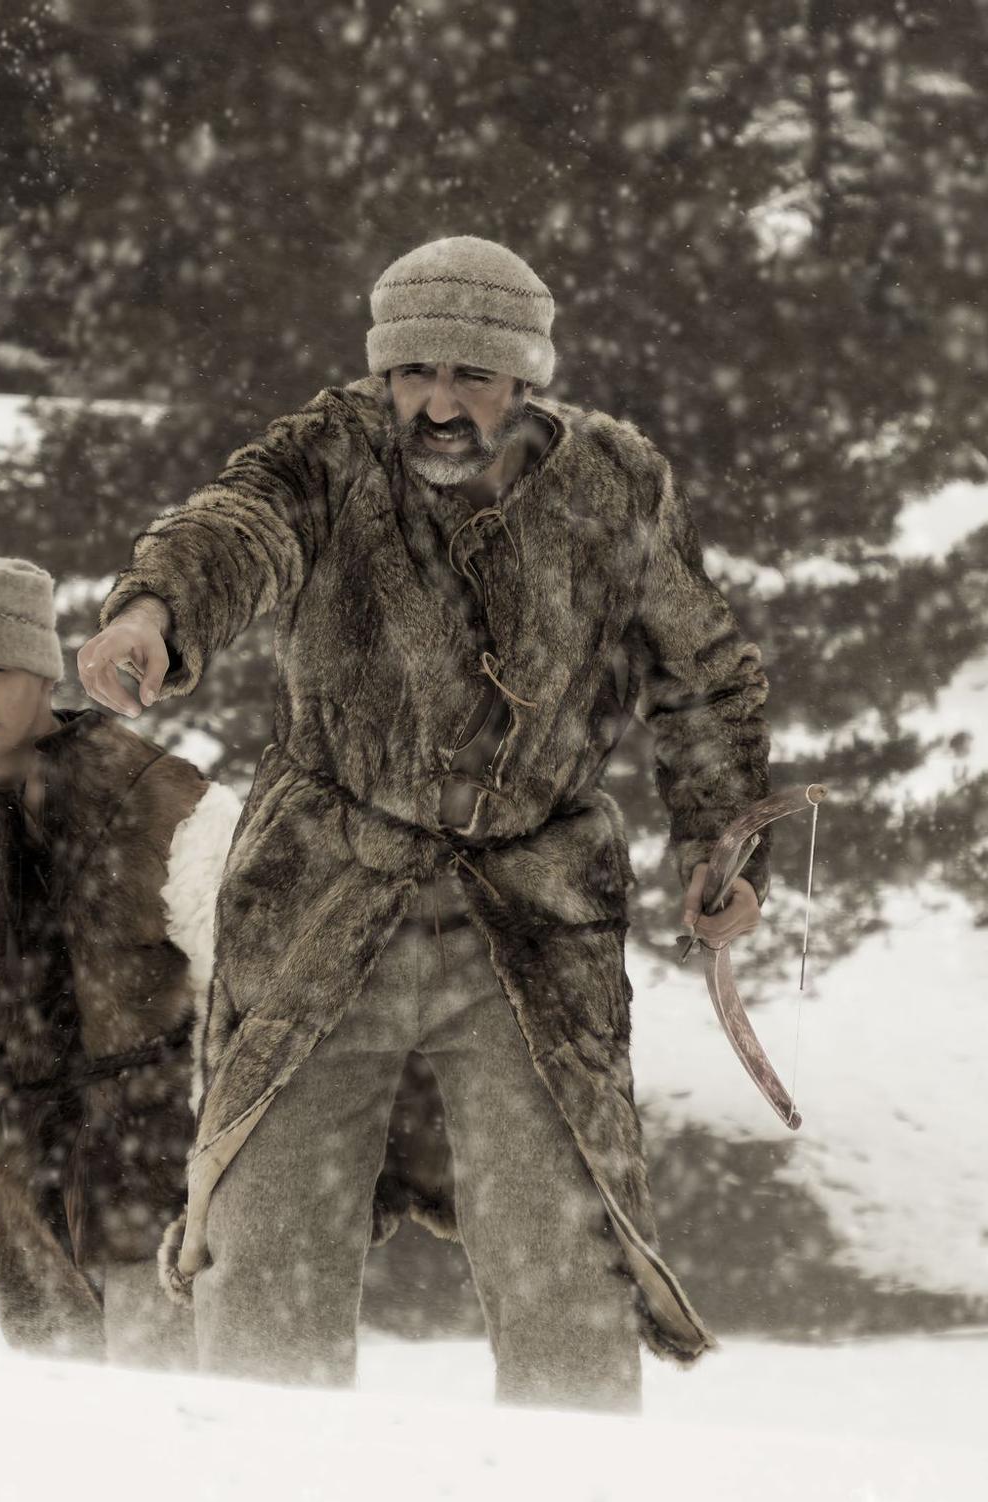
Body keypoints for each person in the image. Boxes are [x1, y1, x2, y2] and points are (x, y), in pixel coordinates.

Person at [76, 235, 771, 1409]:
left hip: (530, 917)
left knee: (561, 1247)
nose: (435, 404)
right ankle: (259, 1482)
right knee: (265, 1234)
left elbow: (699, 668)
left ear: (525, 379)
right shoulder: (328, 452)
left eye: (470, 377)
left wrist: (716, 837)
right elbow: (233, 529)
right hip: (323, 897)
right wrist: (151, 615)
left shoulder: (615, 482)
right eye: (411, 374)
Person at [0, 555, 447, 1365]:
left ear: (38, 667)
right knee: (68, 1452)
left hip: (159, 1171)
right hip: (16, 1197)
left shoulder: (167, 804)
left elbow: (294, 989)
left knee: (180, 1429)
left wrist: (378, 1149)